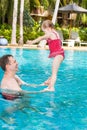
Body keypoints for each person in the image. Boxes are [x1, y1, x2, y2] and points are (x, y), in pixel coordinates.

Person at [26, 20, 65, 92]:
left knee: (54, 73)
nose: (45, 33)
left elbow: (41, 37)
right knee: (54, 70)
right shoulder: (55, 33)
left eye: (45, 31)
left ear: (48, 28)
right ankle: (48, 82)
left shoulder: (51, 34)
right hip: (60, 54)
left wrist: (31, 42)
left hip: (58, 55)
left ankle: (51, 88)